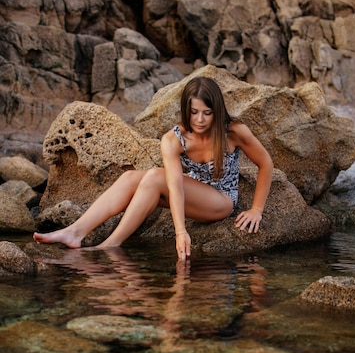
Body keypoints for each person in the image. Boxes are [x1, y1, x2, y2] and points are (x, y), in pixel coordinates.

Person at [33, 76, 274, 260]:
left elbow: (266, 164)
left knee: (155, 176)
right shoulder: (173, 139)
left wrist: (257, 209)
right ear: (185, 110)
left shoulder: (232, 132)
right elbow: (176, 185)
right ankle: (76, 231)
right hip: (191, 192)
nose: (200, 119)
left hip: (221, 200)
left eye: (207, 113)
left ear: (216, 111)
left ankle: (110, 246)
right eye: (194, 112)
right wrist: (181, 231)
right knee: (131, 178)